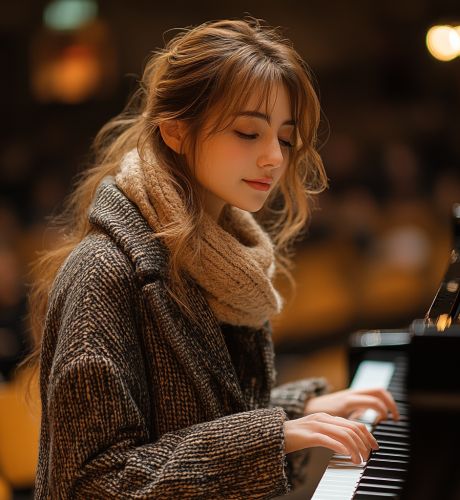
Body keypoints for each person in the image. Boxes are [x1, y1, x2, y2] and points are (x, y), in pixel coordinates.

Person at [25, 18, 399, 500]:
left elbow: (202, 424)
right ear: (176, 133)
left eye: (284, 138)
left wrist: (298, 411)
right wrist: (273, 434)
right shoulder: (104, 270)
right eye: (248, 133)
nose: (274, 158)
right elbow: (92, 483)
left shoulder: (224, 258)